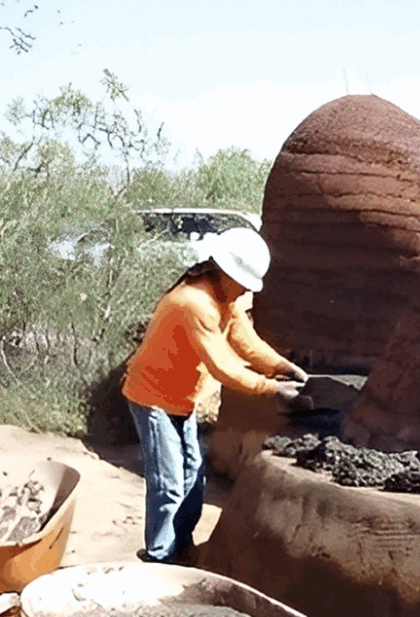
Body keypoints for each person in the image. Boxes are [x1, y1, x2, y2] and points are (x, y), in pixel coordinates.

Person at [122, 226, 308, 564]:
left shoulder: (225, 299)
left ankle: (181, 546)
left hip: (181, 399)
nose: (245, 292)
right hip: (152, 398)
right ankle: (159, 558)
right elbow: (223, 368)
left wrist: (282, 366)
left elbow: (246, 343)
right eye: (244, 284)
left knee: (193, 478)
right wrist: (273, 389)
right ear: (225, 272)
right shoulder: (194, 304)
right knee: (169, 483)